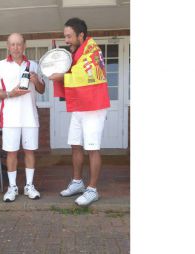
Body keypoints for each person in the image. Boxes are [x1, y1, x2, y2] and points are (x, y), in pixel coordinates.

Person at [48, 18, 110, 206]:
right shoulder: (77, 53)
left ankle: (92, 190)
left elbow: (82, 75)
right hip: (80, 106)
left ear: (80, 35)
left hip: (94, 106)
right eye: (65, 36)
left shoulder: (93, 50)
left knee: (92, 148)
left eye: (69, 36)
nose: (66, 40)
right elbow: (71, 70)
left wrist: (61, 75)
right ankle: (77, 183)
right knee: (75, 144)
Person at [0, 33, 45, 202]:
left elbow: (42, 90)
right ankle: (12, 187)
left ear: (24, 45)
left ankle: (29, 186)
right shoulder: (0, 65)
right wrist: (9, 93)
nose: (16, 48)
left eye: (19, 44)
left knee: (30, 151)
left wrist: (36, 81)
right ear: (8, 46)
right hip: (10, 117)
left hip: (30, 116)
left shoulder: (33, 65)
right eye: (12, 44)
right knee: (11, 153)